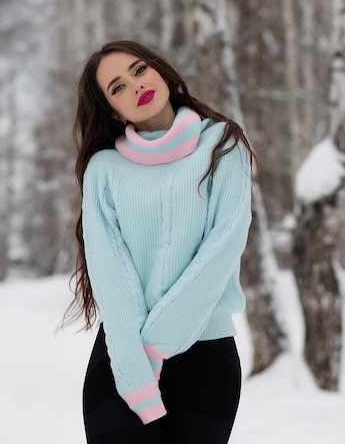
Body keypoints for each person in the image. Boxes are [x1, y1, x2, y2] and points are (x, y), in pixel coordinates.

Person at [64, 40, 257, 444]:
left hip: (206, 359)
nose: (135, 86)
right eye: (117, 87)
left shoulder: (223, 145)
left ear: (160, 70)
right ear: (112, 110)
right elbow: (110, 272)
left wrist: (156, 345)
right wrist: (135, 365)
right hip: (123, 358)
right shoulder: (105, 169)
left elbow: (221, 251)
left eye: (138, 70)